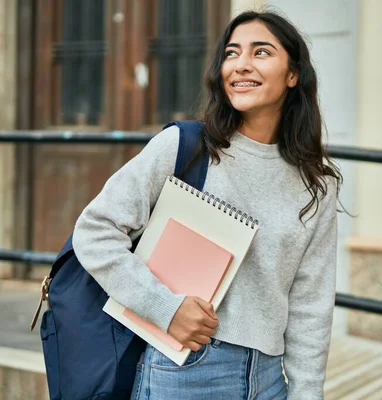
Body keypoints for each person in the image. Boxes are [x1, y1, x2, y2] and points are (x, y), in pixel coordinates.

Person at [72, 9, 343, 400]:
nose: (241, 65)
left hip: (269, 379)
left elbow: (310, 305)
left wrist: (307, 392)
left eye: (261, 52)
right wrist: (165, 307)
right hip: (185, 368)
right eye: (232, 54)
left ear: (293, 74)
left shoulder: (316, 184)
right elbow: (94, 231)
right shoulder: (186, 148)